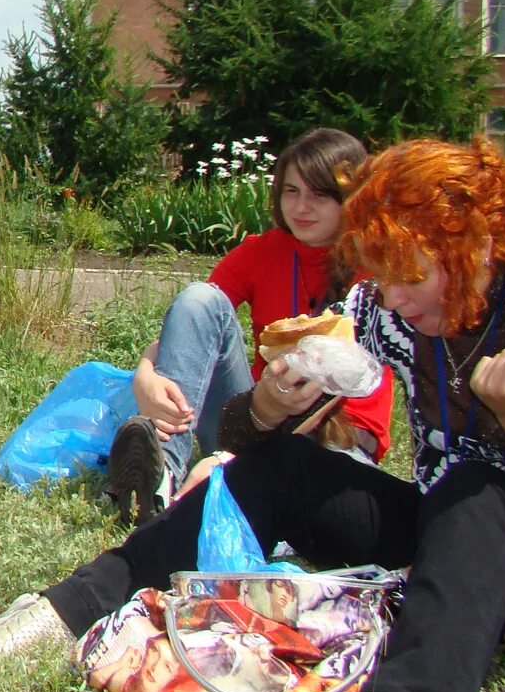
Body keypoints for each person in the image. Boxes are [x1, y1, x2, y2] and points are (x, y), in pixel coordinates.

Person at [0, 138, 505, 692]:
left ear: (475, 244)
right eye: (383, 276)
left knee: (474, 487)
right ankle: (66, 609)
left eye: (413, 275)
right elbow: (247, 452)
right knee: (287, 466)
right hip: (443, 544)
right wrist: (267, 409)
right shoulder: (382, 312)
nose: (394, 297)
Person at [113, 128, 393, 518]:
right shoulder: (264, 251)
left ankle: (233, 475)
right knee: (200, 297)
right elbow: (195, 325)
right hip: (255, 419)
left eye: (319, 194)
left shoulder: (379, 269)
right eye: (291, 191)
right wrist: (145, 375)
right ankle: (161, 475)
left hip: (338, 438)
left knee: (291, 485)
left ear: (352, 198)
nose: (302, 207)